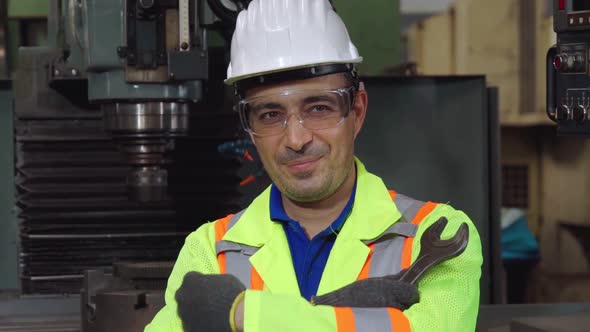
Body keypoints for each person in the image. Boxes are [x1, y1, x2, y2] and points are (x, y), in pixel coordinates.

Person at [145, 0, 482, 331]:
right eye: (270, 114)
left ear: (358, 111)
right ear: (249, 127)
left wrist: (244, 314)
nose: (295, 139)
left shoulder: (432, 234)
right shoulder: (210, 249)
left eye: (318, 108)